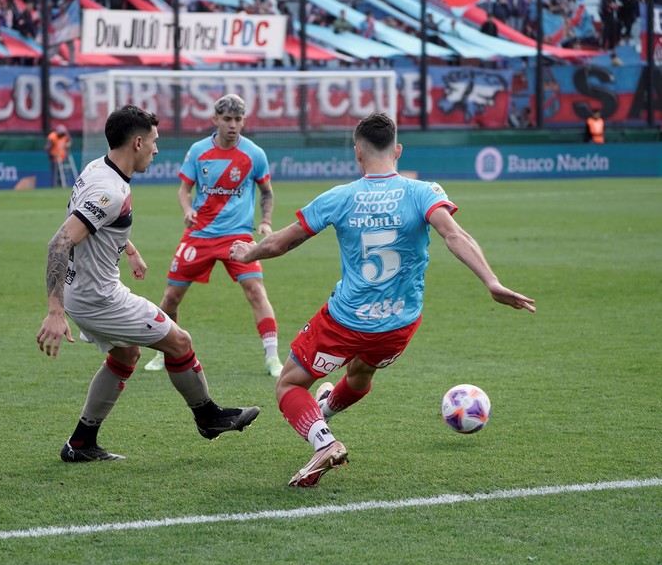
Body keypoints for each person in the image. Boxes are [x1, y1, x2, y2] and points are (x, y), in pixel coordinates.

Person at [229, 112, 536, 488]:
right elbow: (455, 235)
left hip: (346, 320)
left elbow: (282, 242)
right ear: (398, 150)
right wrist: (492, 281)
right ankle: (323, 412)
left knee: (289, 385)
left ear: (357, 153)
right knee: (360, 373)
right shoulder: (424, 192)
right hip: (399, 324)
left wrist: (248, 253)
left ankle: (323, 442)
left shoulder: (341, 197)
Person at [36, 105, 260, 462]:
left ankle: (81, 443)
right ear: (137, 143)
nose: (156, 150)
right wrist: (54, 311)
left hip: (86, 291)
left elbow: (97, 224)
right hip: (99, 298)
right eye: (154, 141)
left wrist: (129, 249)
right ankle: (208, 416)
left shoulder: (98, 168)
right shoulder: (109, 190)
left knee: (126, 355)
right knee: (179, 342)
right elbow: (59, 243)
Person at [143, 94, 284, 377]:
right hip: (199, 234)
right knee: (171, 296)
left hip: (238, 236)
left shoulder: (255, 154)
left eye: (238, 119)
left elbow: (267, 192)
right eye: (227, 119)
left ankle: (273, 358)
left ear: (243, 121)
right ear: (215, 119)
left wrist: (266, 221)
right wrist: (187, 209)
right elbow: (184, 190)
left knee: (256, 291)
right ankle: (162, 352)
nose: (233, 125)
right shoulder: (198, 151)